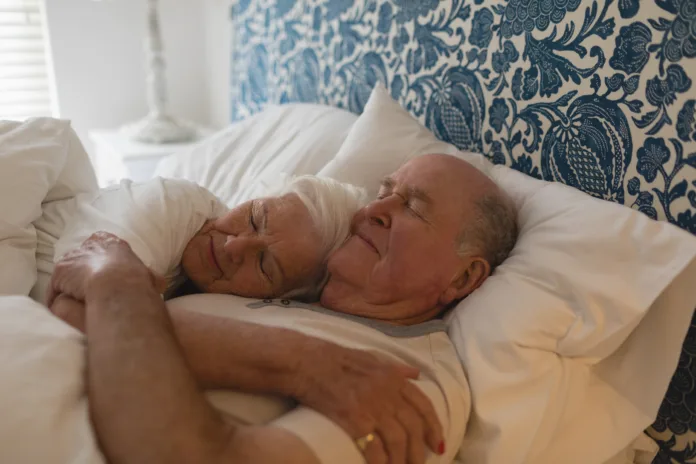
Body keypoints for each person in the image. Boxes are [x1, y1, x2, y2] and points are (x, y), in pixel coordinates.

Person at [49, 154, 518, 464]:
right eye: (383, 193)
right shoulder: (279, 302)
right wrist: (292, 361)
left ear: (463, 278)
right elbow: (69, 317)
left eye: (413, 209)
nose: (372, 212)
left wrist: (115, 279)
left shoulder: (411, 383)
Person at [39, 174, 367, 306]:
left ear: (282, 298)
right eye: (254, 218)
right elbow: (73, 313)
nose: (234, 246)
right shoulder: (171, 205)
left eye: (265, 265)